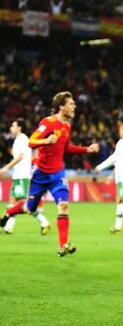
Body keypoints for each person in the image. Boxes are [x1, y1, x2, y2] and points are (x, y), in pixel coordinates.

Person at [0, 91, 99, 256]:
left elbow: (65, 147)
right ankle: (9, 212)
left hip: (58, 174)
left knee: (64, 205)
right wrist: (45, 140)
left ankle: (62, 246)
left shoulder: (67, 126)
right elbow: (32, 141)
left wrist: (85, 149)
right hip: (40, 174)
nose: (74, 106)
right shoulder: (48, 122)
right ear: (61, 106)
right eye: (71, 103)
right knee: (29, 208)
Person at [0, 119, 51, 235]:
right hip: (18, 176)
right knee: (13, 201)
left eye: (13, 125)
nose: (11, 128)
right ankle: (8, 227)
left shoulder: (22, 139)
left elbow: (20, 157)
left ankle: (44, 222)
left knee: (25, 204)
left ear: (19, 128)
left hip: (22, 176)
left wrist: (7, 167)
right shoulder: (19, 139)